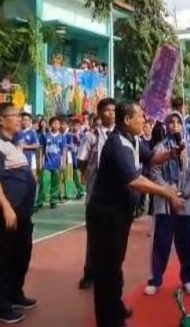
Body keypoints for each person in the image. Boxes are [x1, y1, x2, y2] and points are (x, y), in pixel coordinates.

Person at [87, 101, 187, 327]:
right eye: (140, 116)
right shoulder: (117, 145)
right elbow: (135, 180)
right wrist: (167, 192)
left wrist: (173, 153)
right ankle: (108, 319)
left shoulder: (133, 140)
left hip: (120, 214)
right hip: (105, 215)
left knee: (115, 264)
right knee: (107, 269)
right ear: (126, 120)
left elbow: (151, 157)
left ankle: (115, 307)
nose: (144, 120)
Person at [0, 102, 38, 324]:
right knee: (0, 260)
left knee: (20, 256)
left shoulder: (12, 145)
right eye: (14, 115)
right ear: (0, 121)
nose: (19, 119)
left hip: (22, 215)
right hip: (3, 215)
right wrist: (6, 207)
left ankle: (15, 294)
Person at [145, 113, 190, 296]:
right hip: (164, 203)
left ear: (183, 126)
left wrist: (182, 193)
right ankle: (155, 279)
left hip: (185, 202)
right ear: (166, 126)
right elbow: (154, 172)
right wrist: (169, 193)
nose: (174, 126)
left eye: (178, 122)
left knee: (187, 243)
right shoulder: (159, 149)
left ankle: (189, 278)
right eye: (171, 122)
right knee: (161, 243)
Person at [77, 98, 116, 290]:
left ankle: (109, 274)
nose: (111, 114)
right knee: (94, 236)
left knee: (113, 236)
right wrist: (88, 173)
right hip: (95, 192)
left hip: (115, 194)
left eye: (113, 110)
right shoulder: (91, 136)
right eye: (107, 111)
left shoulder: (121, 135)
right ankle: (89, 272)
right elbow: (82, 160)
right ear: (99, 114)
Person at [39, 117, 65, 209]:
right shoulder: (46, 136)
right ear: (50, 125)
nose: (56, 125)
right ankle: (40, 200)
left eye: (58, 123)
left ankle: (53, 200)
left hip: (57, 164)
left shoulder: (62, 137)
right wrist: (41, 162)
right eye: (54, 123)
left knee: (55, 183)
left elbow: (63, 151)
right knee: (44, 181)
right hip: (47, 163)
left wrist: (63, 163)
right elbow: (42, 149)